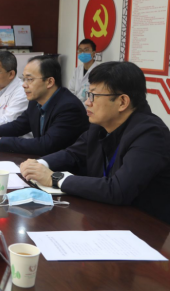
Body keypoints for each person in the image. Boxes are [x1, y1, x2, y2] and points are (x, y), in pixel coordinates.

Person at [21, 61, 170, 224]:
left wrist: (55, 179)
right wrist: (38, 164)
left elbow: (118, 189)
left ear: (122, 102)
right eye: (88, 94)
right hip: (104, 216)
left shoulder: (151, 134)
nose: (87, 102)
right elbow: (72, 154)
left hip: (144, 227)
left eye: (93, 96)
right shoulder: (99, 126)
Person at [0, 56, 89, 155]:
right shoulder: (35, 101)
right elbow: (18, 125)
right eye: (23, 79)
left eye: (29, 79)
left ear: (49, 82)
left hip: (65, 169)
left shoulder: (68, 107)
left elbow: (47, 145)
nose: (24, 85)